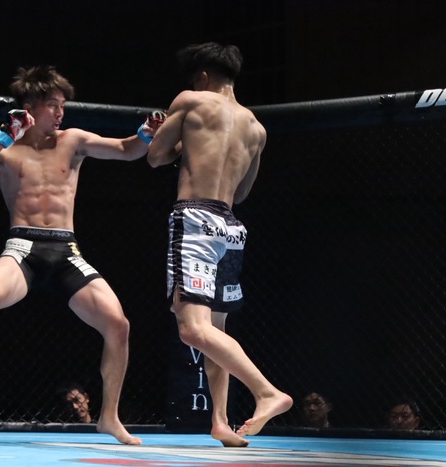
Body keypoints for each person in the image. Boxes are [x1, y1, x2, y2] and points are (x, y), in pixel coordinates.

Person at [0, 65, 162, 445]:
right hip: (23, 246)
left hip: (66, 249)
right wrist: (4, 136)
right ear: (30, 106)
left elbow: (127, 150)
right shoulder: (5, 149)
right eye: (53, 105)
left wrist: (146, 133)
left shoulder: (73, 140)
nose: (61, 113)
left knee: (118, 324)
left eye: (63, 105)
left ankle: (109, 416)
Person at [147, 42, 293, 447]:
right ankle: (220, 422)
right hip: (230, 227)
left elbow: (156, 156)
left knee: (192, 330)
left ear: (203, 76)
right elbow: (242, 191)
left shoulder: (191, 100)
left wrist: (181, 145)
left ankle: (267, 392)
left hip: (194, 218)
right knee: (216, 330)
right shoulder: (256, 128)